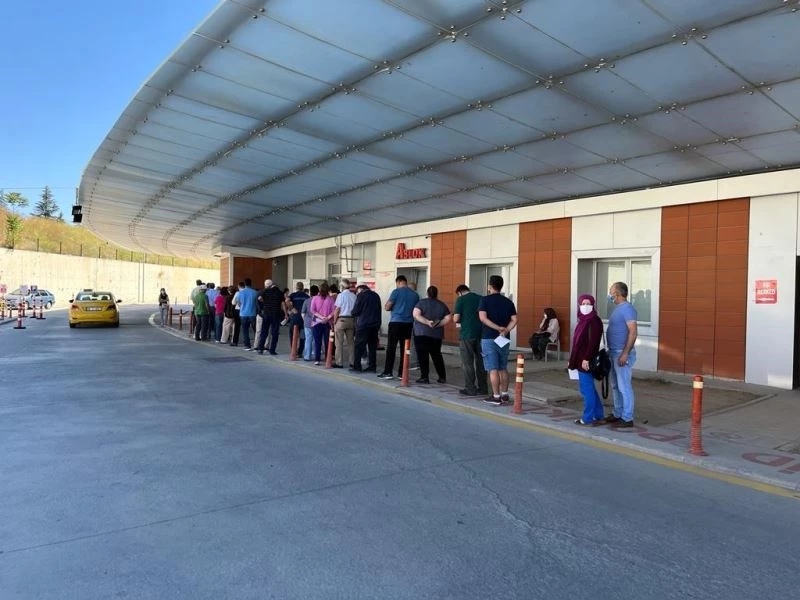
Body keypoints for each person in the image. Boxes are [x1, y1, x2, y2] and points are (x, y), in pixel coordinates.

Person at [478, 275, 517, 405]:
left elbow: (482, 318)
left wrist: (497, 327)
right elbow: (514, 320)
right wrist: (505, 330)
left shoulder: (484, 300)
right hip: (504, 339)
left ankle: (495, 396)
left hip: (489, 337)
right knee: (503, 367)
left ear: (490, 286)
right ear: (501, 286)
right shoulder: (508, 302)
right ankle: (505, 394)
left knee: (492, 368)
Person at [604, 281, 638, 427]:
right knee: (615, 385)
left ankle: (627, 417)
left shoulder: (628, 309)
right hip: (613, 352)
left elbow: (633, 332)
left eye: (611, 292)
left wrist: (625, 353)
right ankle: (618, 413)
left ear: (617, 293)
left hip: (621, 353)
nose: (610, 295)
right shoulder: (618, 308)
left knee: (624, 385)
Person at [569, 295, 604, 426]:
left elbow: (593, 343)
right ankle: (598, 414)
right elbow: (577, 343)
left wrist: (586, 358)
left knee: (586, 389)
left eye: (588, 303)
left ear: (593, 305)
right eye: (583, 303)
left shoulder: (594, 321)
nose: (585, 306)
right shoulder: (582, 320)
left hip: (585, 360)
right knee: (590, 389)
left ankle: (587, 417)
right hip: (580, 360)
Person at [378, 275, 419, 380]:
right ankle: (402, 373)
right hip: (408, 324)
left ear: (399, 282)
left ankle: (388, 372)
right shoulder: (415, 295)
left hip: (396, 322)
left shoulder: (396, 292)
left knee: (391, 347)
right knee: (405, 349)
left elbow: (387, 306)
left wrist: (389, 306)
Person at [453, 284, 487, 397]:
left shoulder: (461, 299)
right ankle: (483, 388)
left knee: (467, 363)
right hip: (481, 334)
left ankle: (470, 388)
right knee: (481, 362)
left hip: (466, 335)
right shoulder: (481, 298)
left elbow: (456, 318)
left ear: (459, 292)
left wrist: (457, 318)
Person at [412, 286, 451, 384]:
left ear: (427, 293)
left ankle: (424, 377)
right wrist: (437, 324)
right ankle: (442, 377)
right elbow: (448, 318)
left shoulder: (421, 302)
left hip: (421, 333)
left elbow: (416, 314)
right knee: (437, 355)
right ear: (437, 294)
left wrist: (426, 322)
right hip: (436, 334)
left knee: (422, 355)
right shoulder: (442, 305)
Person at [350, 284, 381, 373]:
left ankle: (357, 367)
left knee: (359, 346)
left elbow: (356, 311)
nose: (357, 293)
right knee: (372, 347)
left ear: (361, 289)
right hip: (375, 324)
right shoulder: (376, 295)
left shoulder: (361, 295)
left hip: (364, 325)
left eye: (357, 291)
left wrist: (352, 313)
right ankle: (372, 366)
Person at [333, 278, 357, 368]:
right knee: (351, 343)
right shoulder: (354, 296)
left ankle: (339, 362)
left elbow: (337, 309)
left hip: (341, 320)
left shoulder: (340, 296)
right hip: (351, 320)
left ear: (342, 286)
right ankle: (352, 362)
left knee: (339, 342)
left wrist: (334, 321)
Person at [310, 282, 335, 365]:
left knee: (317, 342)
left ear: (319, 290)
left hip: (316, 323)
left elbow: (312, 310)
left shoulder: (315, 298)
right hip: (327, 323)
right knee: (327, 342)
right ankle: (328, 358)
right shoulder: (331, 299)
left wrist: (321, 317)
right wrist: (327, 318)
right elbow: (334, 311)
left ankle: (317, 359)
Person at [257, 279, 284, 355]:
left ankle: (260, 348)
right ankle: (272, 350)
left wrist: (264, 302)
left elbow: (259, 298)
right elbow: (282, 303)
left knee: (264, 332)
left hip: (266, 314)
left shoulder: (265, 291)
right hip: (276, 314)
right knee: (275, 333)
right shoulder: (279, 292)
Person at [237, 278, 259, 351]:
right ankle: (257, 345)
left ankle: (247, 346)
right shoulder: (255, 292)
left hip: (243, 314)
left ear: (245, 284)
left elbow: (239, 304)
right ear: (251, 283)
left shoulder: (240, 293)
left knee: (245, 330)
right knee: (256, 329)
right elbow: (257, 303)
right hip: (252, 313)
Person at [289, 282, 309, 355]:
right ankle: (300, 351)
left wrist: (292, 309)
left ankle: (293, 350)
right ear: (303, 288)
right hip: (303, 319)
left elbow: (286, 301)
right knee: (302, 335)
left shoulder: (293, 295)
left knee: (292, 334)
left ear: (296, 287)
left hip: (295, 317)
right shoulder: (306, 296)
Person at [301, 285, 319, 361]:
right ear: (318, 292)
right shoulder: (320, 300)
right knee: (316, 339)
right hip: (317, 322)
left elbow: (303, 313)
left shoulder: (306, 301)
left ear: (310, 292)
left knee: (308, 339)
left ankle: (307, 356)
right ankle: (315, 355)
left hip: (307, 322)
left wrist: (305, 320)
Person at [230, 283, 243, 347]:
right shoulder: (252, 292)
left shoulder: (238, 293)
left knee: (237, 327)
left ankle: (235, 341)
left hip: (238, 310)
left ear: (239, 286)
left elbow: (233, 302)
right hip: (249, 311)